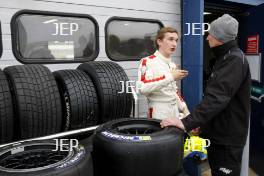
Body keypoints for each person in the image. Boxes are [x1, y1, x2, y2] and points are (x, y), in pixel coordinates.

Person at [160, 14, 251, 176]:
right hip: (219, 134)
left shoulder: (234, 60)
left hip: (227, 139)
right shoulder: (225, 57)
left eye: (211, 34)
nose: (207, 37)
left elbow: (217, 98)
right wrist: (202, 125)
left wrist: (186, 122)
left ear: (220, 38)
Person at [137, 27, 189, 120]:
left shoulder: (172, 64)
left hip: (174, 112)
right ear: (159, 42)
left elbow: (174, 92)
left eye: (176, 40)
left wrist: (186, 111)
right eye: (170, 39)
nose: (174, 44)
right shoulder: (147, 61)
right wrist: (171, 77)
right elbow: (143, 88)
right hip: (158, 112)